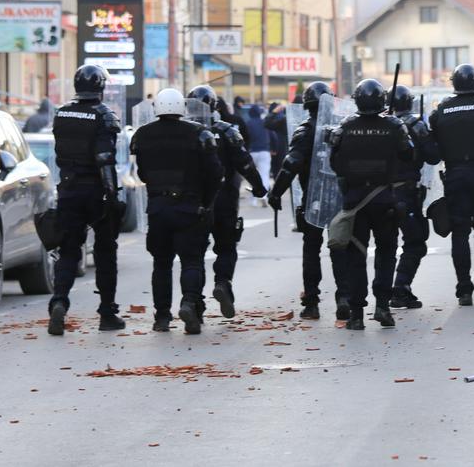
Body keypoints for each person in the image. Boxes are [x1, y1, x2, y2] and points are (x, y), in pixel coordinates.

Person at [131, 89, 224, 334]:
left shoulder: (143, 134)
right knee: (192, 261)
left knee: (161, 264)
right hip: (189, 207)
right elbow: (215, 174)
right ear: (182, 108)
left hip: (158, 208)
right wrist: (206, 202)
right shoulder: (199, 134)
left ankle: (162, 317)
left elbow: (141, 173)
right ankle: (190, 303)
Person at [328, 78, 414, 330]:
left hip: (355, 203)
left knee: (356, 257)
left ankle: (356, 314)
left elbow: (335, 164)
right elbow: (409, 155)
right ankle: (382, 307)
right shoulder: (394, 125)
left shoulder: (345, 127)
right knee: (386, 255)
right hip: (385, 200)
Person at [47, 65, 125, 335]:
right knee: (105, 252)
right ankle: (107, 313)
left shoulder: (62, 114)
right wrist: (112, 195)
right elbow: (105, 160)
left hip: (68, 189)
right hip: (95, 192)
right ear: (101, 87)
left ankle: (59, 302)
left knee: (68, 251)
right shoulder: (103, 116)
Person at [187, 85, 268, 318]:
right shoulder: (227, 131)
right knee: (226, 247)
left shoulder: (185, 131)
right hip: (224, 199)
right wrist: (260, 188)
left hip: (195, 201)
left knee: (194, 256)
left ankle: (193, 302)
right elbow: (245, 163)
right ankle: (223, 283)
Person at [428, 64, 474, 305]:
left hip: (455, 176)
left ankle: (463, 287)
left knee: (459, 232)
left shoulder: (441, 110)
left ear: (453, 83)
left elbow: (433, 151)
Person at [269, 82, 339, 320]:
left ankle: (311, 302)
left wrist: (276, 192)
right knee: (342, 249)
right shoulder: (341, 128)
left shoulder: (305, 130)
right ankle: (346, 300)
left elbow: (290, 165)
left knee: (312, 250)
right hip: (340, 198)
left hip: (313, 200)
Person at [388, 84, 441, 309]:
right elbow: (433, 157)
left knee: (386, 246)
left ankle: (383, 295)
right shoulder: (414, 124)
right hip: (405, 193)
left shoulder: (379, 123)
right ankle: (400, 288)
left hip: (376, 194)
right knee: (416, 243)